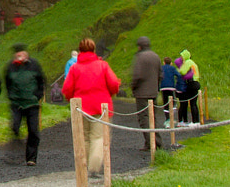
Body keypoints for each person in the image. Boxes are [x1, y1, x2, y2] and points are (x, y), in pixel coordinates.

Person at [61, 38, 121, 172]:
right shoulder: (102, 65)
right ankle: (94, 168)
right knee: (98, 137)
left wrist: (71, 98)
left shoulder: (74, 68)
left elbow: (67, 89)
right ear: (93, 50)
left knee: (85, 138)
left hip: (81, 108)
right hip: (101, 107)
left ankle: (87, 167)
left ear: (80, 50)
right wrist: (110, 93)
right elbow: (114, 84)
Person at [4, 44, 46, 166]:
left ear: (26, 53)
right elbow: (7, 82)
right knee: (15, 127)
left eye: (21, 52)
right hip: (16, 103)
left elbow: (41, 81)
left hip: (32, 104)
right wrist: (11, 96)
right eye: (17, 53)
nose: (19, 55)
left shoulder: (34, 65)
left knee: (33, 131)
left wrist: (37, 96)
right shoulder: (10, 67)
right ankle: (16, 151)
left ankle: (31, 158)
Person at [129, 36, 163, 151]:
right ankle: (156, 141)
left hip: (142, 93)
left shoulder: (140, 57)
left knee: (144, 118)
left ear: (140, 46)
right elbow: (160, 75)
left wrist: (133, 87)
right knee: (153, 117)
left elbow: (137, 75)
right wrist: (156, 87)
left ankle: (151, 143)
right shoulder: (156, 56)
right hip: (153, 92)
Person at [177, 49, 202, 125]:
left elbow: (182, 71)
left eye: (182, 56)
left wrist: (177, 70)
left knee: (190, 103)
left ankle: (193, 121)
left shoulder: (188, 62)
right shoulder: (193, 63)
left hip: (191, 83)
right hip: (196, 83)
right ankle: (196, 121)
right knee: (194, 103)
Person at [160, 56, 182, 132]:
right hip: (171, 87)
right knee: (172, 103)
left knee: (165, 103)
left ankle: (167, 120)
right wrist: (177, 83)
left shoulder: (161, 68)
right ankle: (172, 119)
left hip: (163, 87)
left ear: (164, 62)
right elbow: (178, 75)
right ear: (171, 63)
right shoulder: (172, 68)